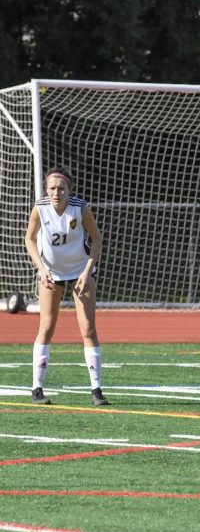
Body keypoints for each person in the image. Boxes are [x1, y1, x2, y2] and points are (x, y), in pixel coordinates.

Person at [24, 168, 109, 406]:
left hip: (80, 271)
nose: (56, 192)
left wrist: (86, 271)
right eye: (52, 188)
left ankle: (96, 390)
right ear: (46, 189)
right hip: (51, 273)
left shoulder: (79, 208)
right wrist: (41, 269)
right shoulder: (40, 208)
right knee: (47, 326)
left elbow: (97, 239)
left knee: (88, 329)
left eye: (61, 188)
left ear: (69, 189)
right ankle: (37, 390)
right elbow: (29, 238)